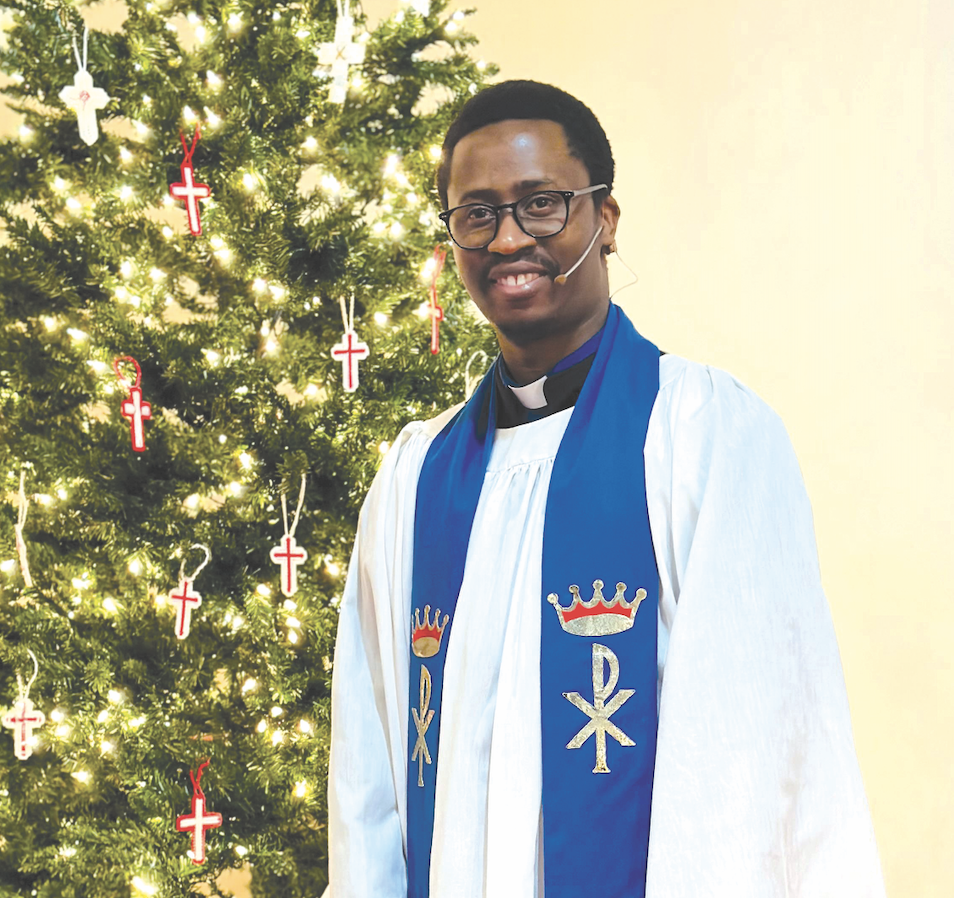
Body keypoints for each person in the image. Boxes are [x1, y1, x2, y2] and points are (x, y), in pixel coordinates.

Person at [326, 80, 886, 898]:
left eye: (542, 204)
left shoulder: (705, 435)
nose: (509, 237)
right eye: (475, 213)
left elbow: (749, 755)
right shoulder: (415, 478)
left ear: (606, 220)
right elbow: (369, 772)